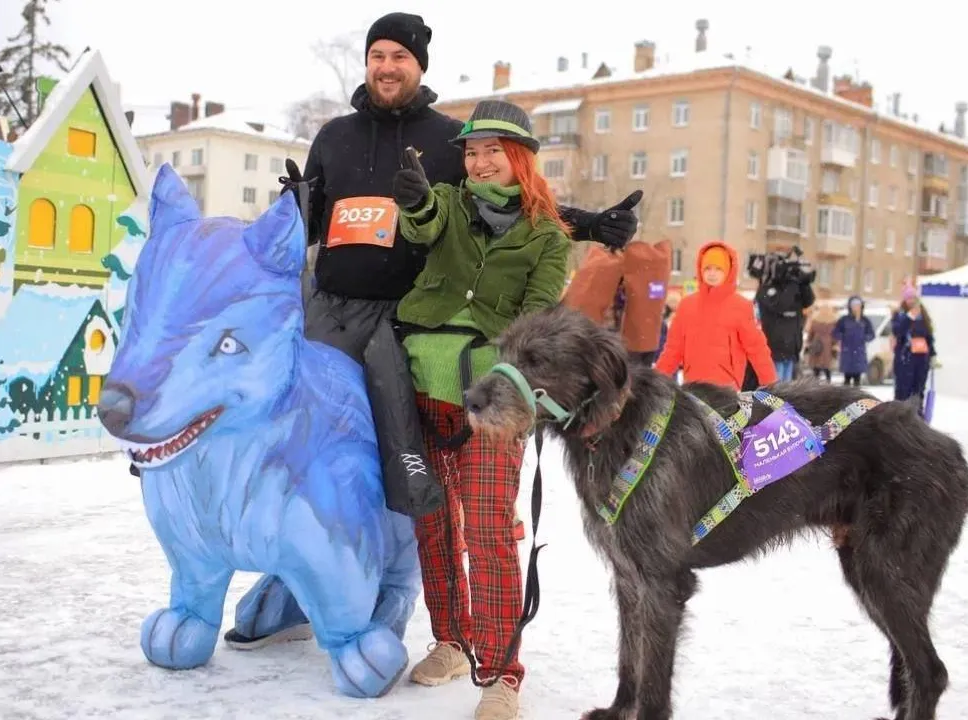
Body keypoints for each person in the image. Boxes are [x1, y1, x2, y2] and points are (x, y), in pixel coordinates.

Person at [222, 13, 640, 650]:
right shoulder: (332, 136)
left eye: (400, 56)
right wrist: (293, 212)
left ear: (421, 66)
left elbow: (510, 199)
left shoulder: (451, 140)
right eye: (377, 55)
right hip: (331, 311)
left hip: (410, 325)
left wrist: (589, 226)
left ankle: (384, 589)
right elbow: (307, 227)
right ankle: (291, 584)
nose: (386, 66)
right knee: (307, 451)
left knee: (400, 464)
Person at [388, 99, 570, 719]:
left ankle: (501, 670)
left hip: (492, 402)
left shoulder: (547, 237)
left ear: (519, 158)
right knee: (433, 524)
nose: (481, 161)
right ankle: (452, 640)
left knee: (490, 530)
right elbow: (423, 220)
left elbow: (539, 320)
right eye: (472, 151)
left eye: (493, 150)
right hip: (421, 390)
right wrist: (415, 201)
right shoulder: (450, 204)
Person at [655, 241, 777, 390]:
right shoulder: (687, 305)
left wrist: (770, 382)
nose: (712, 273)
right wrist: (656, 381)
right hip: (693, 385)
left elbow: (756, 348)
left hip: (727, 388)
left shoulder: (741, 306)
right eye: (707, 268)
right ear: (700, 270)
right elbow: (673, 349)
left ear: (728, 271)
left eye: (718, 269)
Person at [891, 282, 935, 409]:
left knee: (918, 390)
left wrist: (932, 354)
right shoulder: (899, 315)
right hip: (905, 359)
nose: (911, 301)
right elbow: (898, 332)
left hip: (921, 359)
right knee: (903, 391)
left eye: (913, 298)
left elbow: (929, 337)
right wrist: (909, 317)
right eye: (908, 298)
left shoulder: (923, 316)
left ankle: (917, 416)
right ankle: (900, 416)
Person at [833, 295, 874, 387]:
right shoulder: (844, 320)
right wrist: (843, 337)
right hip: (847, 352)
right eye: (854, 305)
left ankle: (857, 398)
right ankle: (846, 398)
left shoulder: (864, 320)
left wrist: (864, 337)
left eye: (858, 305)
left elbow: (871, 334)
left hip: (859, 352)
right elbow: (836, 332)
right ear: (850, 307)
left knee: (857, 380)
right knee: (846, 380)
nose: (856, 307)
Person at [804, 302, 838, 382]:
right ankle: (828, 381)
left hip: (817, 344)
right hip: (828, 346)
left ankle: (816, 382)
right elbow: (835, 336)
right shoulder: (833, 321)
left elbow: (810, 334)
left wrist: (808, 342)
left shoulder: (815, 320)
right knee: (827, 367)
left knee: (816, 367)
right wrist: (835, 344)